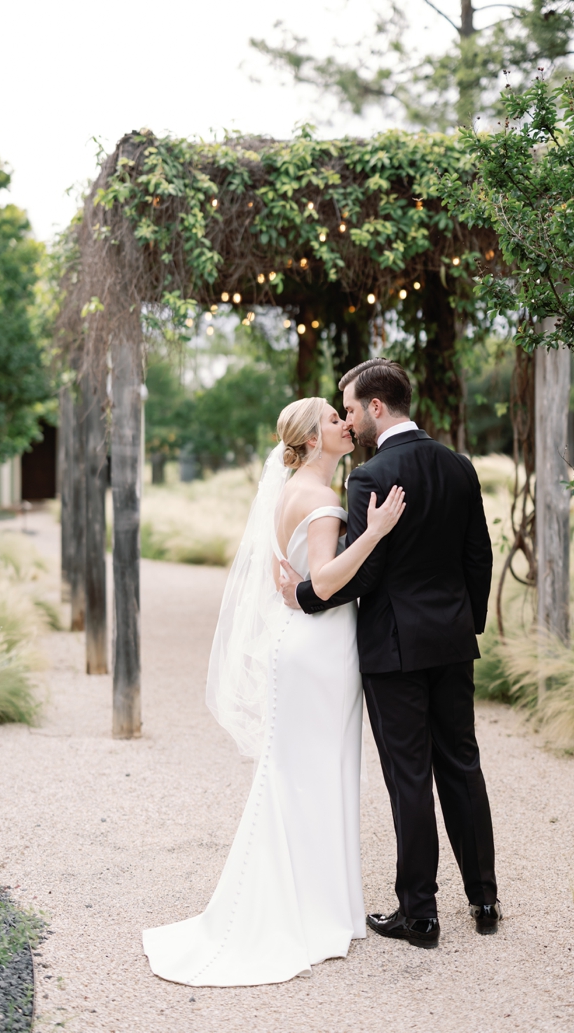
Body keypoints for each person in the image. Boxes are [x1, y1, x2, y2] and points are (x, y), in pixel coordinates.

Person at [143, 395, 406, 986]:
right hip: (320, 646)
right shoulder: (322, 499)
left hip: (299, 640)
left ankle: (315, 902)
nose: (346, 424)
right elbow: (326, 579)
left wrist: (305, 586)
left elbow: (282, 579)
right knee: (316, 772)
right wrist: (377, 532)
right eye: (334, 420)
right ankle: (310, 911)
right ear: (313, 439)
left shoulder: (288, 492)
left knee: (298, 773)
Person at [279, 359, 499, 948]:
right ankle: (484, 898)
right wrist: (462, 623)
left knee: (410, 777)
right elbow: (479, 557)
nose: (348, 419)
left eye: (350, 408)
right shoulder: (459, 466)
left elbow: (364, 574)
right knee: (462, 764)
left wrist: (303, 594)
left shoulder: (370, 476)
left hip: (393, 650)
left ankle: (420, 914)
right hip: (452, 643)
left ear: (377, 408)